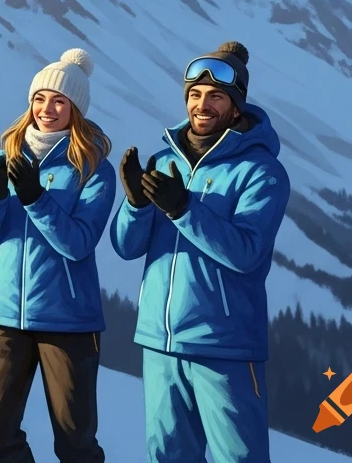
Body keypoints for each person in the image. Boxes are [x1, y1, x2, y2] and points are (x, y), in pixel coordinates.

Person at [109, 42, 289, 463]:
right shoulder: (162, 160)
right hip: (161, 341)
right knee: (167, 456)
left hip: (224, 346)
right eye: (194, 94)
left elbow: (247, 252)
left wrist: (183, 208)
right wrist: (135, 205)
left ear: (236, 106)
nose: (202, 104)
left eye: (216, 96)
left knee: (237, 459)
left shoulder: (261, 172)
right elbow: (126, 246)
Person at [0, 48, 115, 463]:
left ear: (76, 109)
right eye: (39, 98)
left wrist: (34, 199)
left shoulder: (92, 167)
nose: (46, 109)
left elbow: (79, 242)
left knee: (75, 442)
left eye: (59, 101)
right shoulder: (5, 156)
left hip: (68, 321)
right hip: (4, 315)